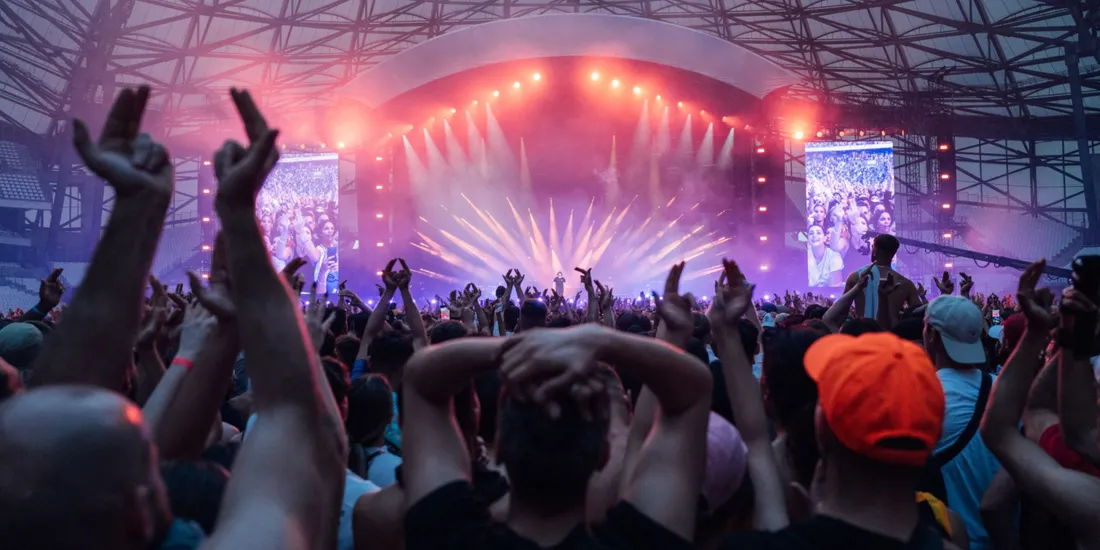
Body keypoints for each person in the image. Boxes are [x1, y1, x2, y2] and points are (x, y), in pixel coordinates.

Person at [402, 322, 712, 549]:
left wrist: (518, 348)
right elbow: (694, 390)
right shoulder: (641, 543)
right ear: (603, 455)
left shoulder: (449, 537)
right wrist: (599, 339)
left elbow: (420, 377)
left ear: (498, 449)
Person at [720, 332, 948, 549]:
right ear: (935, 434)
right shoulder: (951, 531)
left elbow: (757, 442)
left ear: (821, 428)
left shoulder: (752, 545)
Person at [923, 295, 1000, 550]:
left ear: (931, 335)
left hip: (952, 541)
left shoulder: (923, 399)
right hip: (1006, 539)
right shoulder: (1004, 391)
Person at [844, 233, 920, 329]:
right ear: (893, 253)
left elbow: (842, 311)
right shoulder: (905, 284)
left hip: (862, 335)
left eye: (872, 247)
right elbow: (918, 314)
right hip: (891, 336)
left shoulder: (856, 277)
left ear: (875, 250)